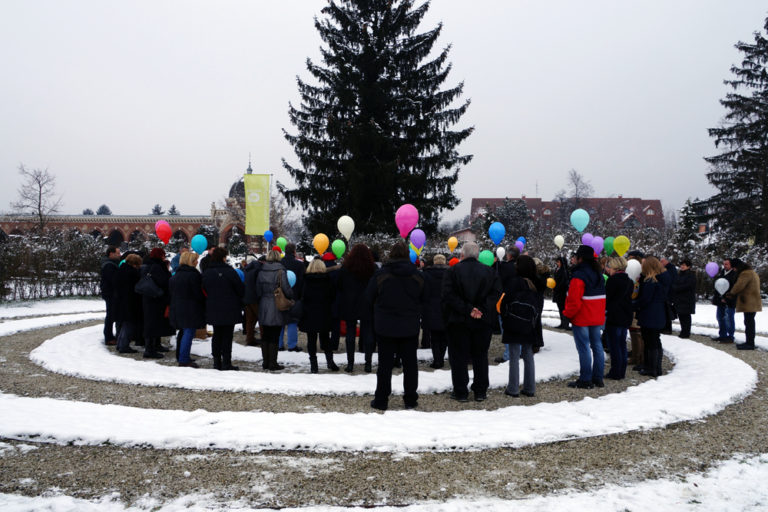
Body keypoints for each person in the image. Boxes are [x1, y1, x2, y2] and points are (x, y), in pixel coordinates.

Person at [367, 242, 428, 411]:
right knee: (410, 365)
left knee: (384, 366)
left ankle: (381, 399)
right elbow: (425, 299)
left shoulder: (381, 275)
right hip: (409, 326)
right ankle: (410, 399)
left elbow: (369, 297)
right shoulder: (418, 276)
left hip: (385, 327)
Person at [441, 242, 502, 402]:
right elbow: (496, 293)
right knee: (480, 356)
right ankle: (480, 391)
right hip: (482, 321)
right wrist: (480, 309)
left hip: (458, 320)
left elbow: (448, 295)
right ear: (477, 255)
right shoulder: (489, 272)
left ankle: (461, 391)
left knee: (458, 357)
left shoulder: (452, 271)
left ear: (463, 254)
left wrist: (468, 309)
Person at [562, 245, 606, 389]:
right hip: (596, 315)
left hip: (582, 317)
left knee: (584, 347)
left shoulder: (579, 275)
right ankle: (598, 378)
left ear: (580, 258)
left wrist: (567, 314)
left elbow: (574, 300)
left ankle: (585, 379)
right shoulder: (599, 274)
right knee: (597, 346)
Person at [500, 255, 541, 398]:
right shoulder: (535, 283)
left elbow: (505, 302)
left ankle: (513, 388)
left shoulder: (513, 282)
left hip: (514, 322)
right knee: (528, 355)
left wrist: (505, 318)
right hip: (529, 323)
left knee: (514, 356)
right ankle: (530, 387)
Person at [201, 247, 245, 371]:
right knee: (227, 335)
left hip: (213, 307)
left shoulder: (207, 272)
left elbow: (203, 288)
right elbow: (240, 289)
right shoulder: (230, 271)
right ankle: (226, 362)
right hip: (229, 307)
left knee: (217, 335)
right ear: (223, 258)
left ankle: (216, 361)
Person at [337, 243, 376, 373]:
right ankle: (368, 364)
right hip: (367, 303)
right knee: (368, 332)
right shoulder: (373, 268)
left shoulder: (346, 268)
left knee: (350, 333)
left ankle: (350, 364)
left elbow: (340, 286)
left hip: (350, 303)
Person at [255, 249, 294, 371]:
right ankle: (273, 362)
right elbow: (287, 290)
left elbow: (258, 290)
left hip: (263, 304)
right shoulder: (281, 271)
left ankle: (265, 362)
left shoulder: (261, 271)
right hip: (276, 304)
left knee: (265, 334)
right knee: (274, 335)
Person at [299, 259, 339, 372]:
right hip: (324, 312)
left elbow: (302, 296)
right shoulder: (328, 280)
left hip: (309, 312)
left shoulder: (306, 280)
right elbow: (333, 296)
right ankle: (330, 362)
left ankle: (314, 365)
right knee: (326, 338)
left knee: (311, 340)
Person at [169, 251, 205, 367]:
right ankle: (184, 359)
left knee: (182, 332)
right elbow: (198, 294)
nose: (197, 262)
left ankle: (181, 355)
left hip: (177, 307)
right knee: (188, 332)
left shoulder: (176, 275)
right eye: (195, 260)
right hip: (190, 308)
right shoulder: (193, 275)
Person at [634, 256, 667, 378]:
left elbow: (645, 299)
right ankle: (655, 366)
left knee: (650, 341)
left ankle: (651, 367)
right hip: (658, 314)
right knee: (655, 341)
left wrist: (633, 305)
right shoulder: (662, 280)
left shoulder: (650, 282)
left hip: (650, 314)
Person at [604, 256, 634, 380]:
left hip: (614, 316)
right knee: (622, 344)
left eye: (610, 267)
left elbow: (608, 298)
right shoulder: (629, 281)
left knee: (614, 345)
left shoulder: (613, 281)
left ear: (615, 268)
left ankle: (615, 371)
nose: (608, 269)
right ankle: (621, 370)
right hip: (626, 315)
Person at [141, 248, 173, 359]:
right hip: (156, 298)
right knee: (152, 323)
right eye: (163, 255)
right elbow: (164, 281)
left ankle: (156, 345)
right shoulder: (158, 266)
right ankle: (149, 349)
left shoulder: (146, 265)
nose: (164, 257)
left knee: (153, 322)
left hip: (148, 297)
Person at [727, 258, 762, 350]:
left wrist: (731, 293)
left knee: (749, 322)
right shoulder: (752, 272)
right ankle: (749, 342)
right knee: (749, 321)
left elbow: (739, 285)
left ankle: (750, 344)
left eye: (734, 267)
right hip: (753, 301)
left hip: (748, 301)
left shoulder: (745, 273)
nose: (734, 270)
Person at [494, 245, 520, 363]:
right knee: (517, 327)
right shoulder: (520, 266)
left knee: (505, 327)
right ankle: (518, 352)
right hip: (519, 299)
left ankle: (508, 354)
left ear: (508, 255)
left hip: (505, 299)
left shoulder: (504, 267)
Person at [423, 254, 450, 369]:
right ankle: (441, 359)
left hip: (431, 307)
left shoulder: (426, 274)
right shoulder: (450, 274)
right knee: (444, 336)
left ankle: (437, 360)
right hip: (446, 307)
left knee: (434, 337)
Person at [114, 254, 143, 354]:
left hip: (121, 301)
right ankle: (124, 346)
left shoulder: (121, 270)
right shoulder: (132, 273)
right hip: (130, 302)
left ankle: (120, 344)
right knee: (129, 325)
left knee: (124, 324)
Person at [279, 243, 305, 352]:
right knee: (292, 321)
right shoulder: (299, 265)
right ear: (294, 252)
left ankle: (279, 344)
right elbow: (302, 282)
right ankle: (292, 345)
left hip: (280, 296)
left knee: (280, 321)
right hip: (295, 296)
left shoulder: (280, 263)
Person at [712, 259, 737, 343]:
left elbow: (734, 289)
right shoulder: (722, 273)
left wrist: (727, 298)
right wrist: (716, 299)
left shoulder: (734, 274)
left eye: (726, 264)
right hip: (720, 300)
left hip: (729, 301)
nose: (725, 265)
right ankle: (722, 335)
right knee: (720, 317)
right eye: (724, 264)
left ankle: (730, 337)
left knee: (728, 319)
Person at [100, 246, 121, 345]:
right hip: (110, 294)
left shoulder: (110, 264)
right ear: (111, 254)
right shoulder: (109, 265)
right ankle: (108, 337)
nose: (119, 255)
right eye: (117, 253)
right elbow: (114, 280)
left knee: (112, 314)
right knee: (110, 315)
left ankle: (110, 336)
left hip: (110, 293)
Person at [671, 258, 696, 339]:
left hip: (687, 299)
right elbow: (675, 283)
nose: (682, 266)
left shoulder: (691, 275)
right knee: (681, 315)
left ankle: (686, 332)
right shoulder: (679, 274)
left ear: (688, 266)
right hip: (679, 299)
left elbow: (688, 285)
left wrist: (677, 288)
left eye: (684, 265)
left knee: (686, 316)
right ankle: (683, 331)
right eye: (681, 265)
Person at [242, 255, 262, 346]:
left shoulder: (246, 270)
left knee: (250, 320)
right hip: (256, 299)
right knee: (261, 319)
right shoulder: (258, 270)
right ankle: (264, 339)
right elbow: (259, 285)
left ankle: (249, 339)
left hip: (246, 298)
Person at [553, 256, 570, 330]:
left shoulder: (564, 271)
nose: (557, 263)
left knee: (563, 308)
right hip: (557, 292)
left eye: (558, 262)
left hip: (562, 292)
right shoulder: (557, 270)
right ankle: (562, 323)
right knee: (560, 308)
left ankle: (565, 323)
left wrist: (556, 287)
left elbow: (563, 282)